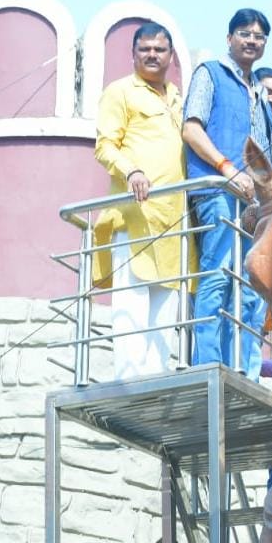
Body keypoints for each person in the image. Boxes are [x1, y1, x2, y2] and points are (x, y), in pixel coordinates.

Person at [93, 22, 193, 380]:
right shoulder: (120, 92)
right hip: (136, 214)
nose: (152, 55)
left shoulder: (179, 98)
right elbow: (104, 145)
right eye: (145, 49)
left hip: (174, 219)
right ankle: (129, 380)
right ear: (133, 54)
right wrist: (132, 170)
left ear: (171, 56)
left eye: (159, 49)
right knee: (132, 301)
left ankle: (155, 380)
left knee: (167, 308)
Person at [182, 8, 272, 380]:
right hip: (219, 192)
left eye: (259, 36)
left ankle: (244, 371)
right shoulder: (211, 75)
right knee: (219, 275)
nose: (252, 40)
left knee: (253, 286)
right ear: (229, 38)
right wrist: (226, 169)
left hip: (257, 203)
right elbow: (191, 129)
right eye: (244, 33)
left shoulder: (260, 94)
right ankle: (209, 365)